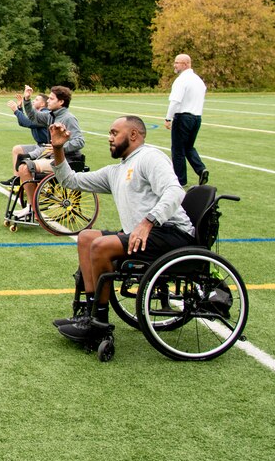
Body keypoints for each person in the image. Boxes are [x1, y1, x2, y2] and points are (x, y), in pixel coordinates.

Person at [47, 116, 195, 345]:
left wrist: (148, 222)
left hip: (171, 233)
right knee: (86, 238)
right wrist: (58, 149)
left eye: (114, 133)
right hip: (145, 235)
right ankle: (90, 312)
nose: (110, 138)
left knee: (100, 246)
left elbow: (175, 191)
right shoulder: (117, 170)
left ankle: (99, 324)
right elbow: (70, 181)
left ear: (133, 135)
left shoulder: (149, 157)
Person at [9, 86, 84, 220]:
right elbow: (33, 116)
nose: (48, 101)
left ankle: (33, 209)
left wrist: (60, 147)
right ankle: (32, 207)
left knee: (25, 168)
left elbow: (79, 141)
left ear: (61, 102)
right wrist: (27, 99)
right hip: (54, 158)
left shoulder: (68, 118)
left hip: (67, 161)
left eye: (51, 98)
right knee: (23, 165)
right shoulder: (51, 116)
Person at [165, 53, 209, 186]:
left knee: (178, 150)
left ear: (185, 64)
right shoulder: (198, 80)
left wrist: (168, 118)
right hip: (196, 118)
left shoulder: (181, 80)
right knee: (189, 147)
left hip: (183, 117)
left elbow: (175, 101)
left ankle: (180, 180)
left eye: (177, 62)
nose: (175, 65)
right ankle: (201, 169)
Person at [3, 92, 49, 182]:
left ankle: (25, 180)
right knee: (17, 149)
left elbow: (27, 123)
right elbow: (22, 123)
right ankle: (17, 179)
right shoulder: (38, 114)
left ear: (43, 104)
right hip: (40, 145)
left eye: (36, 99)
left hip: (46, 147)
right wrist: (20, 108)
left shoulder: (44, 115)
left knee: (23, 156)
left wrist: (16, 110)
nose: (33, 101)